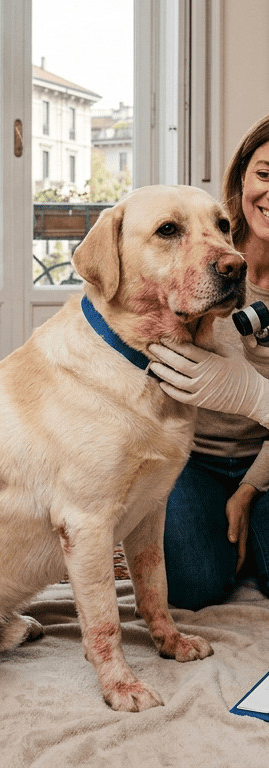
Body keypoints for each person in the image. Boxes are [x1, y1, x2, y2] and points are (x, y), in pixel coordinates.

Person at [149, 114, 269, 610]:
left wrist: (248, 490)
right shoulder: (197, 257)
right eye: (266, 174)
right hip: (190, 454)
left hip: (264, 457)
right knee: (196, 585)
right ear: (242, 174)